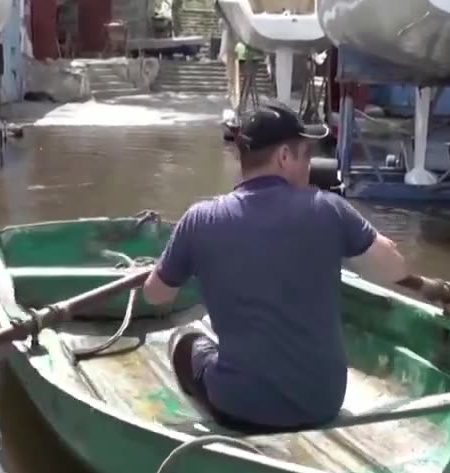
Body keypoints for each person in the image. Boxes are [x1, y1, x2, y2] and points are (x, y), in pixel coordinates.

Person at [142, 104, 410, 434]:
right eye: (306, 155)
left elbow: (155, 296)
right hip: (323, 402)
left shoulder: (200, 219)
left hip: (241, 406)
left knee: (185, 342)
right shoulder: (329, 209)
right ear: (284, 156)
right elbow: (395, 269)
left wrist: (177, 267)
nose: (310, 166)